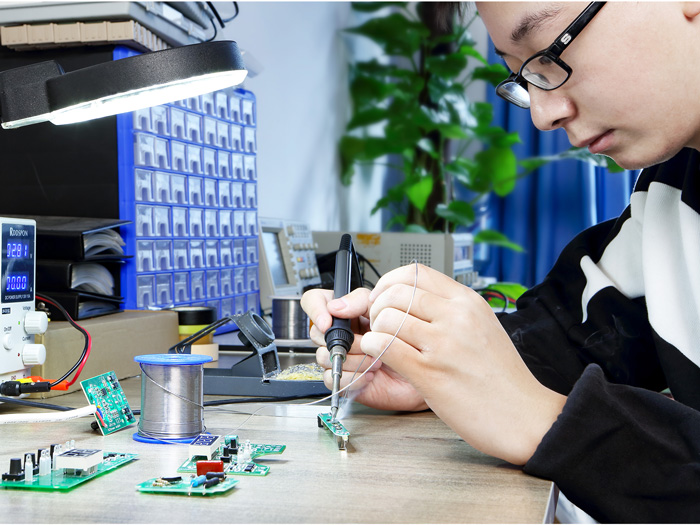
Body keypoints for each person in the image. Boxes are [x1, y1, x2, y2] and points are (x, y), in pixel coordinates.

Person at [301, 2, 700, 522]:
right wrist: (431, 365)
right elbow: (576, 331)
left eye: (549, 52)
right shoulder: (671, 190)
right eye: (523, 75)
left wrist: (545, 421)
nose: (543, 115)